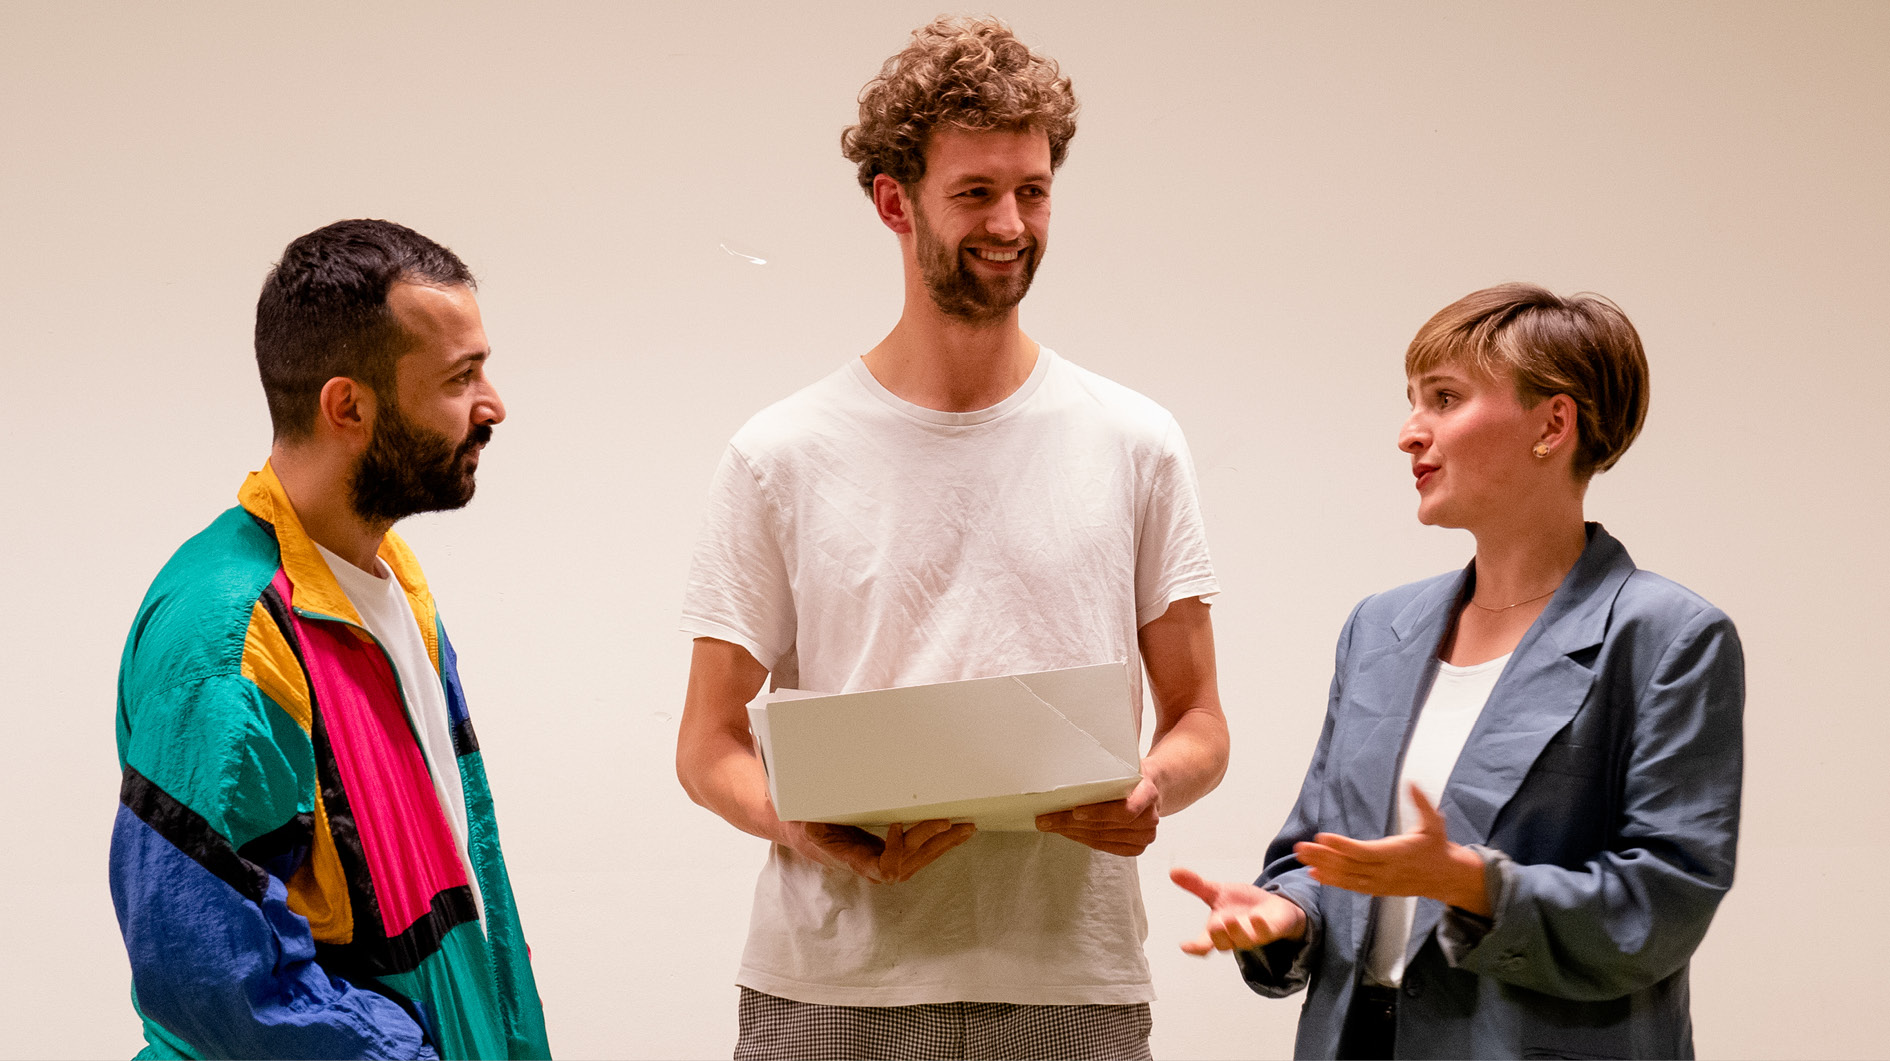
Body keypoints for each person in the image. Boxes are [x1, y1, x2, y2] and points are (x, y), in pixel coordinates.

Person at [675, 17, 1230, 1061]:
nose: (1011, 223)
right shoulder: (780, 454)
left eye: (1033, 189)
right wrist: (807, 828)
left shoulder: (1136, 441)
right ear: (896, 201)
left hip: (1074, 982)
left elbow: (1200, 717)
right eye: (976, 192)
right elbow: (706, 745)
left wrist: (1155, 783)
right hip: (833, 988)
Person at [1172, 283, 1744, 1059]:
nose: (1410, 433)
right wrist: (1288, 914)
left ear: (1554, 423)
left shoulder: (1667, 637)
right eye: (1412, 401)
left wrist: (1473, 884)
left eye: (1444, 398)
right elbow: (1318, 854)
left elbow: (1662, 904)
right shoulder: (1378, 630)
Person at [109, 219, 551, 1059]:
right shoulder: (231, 633)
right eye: (462, 378)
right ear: (347, 404)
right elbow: (211, 974)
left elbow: (464, 891)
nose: (493, 405)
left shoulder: (394, 582)